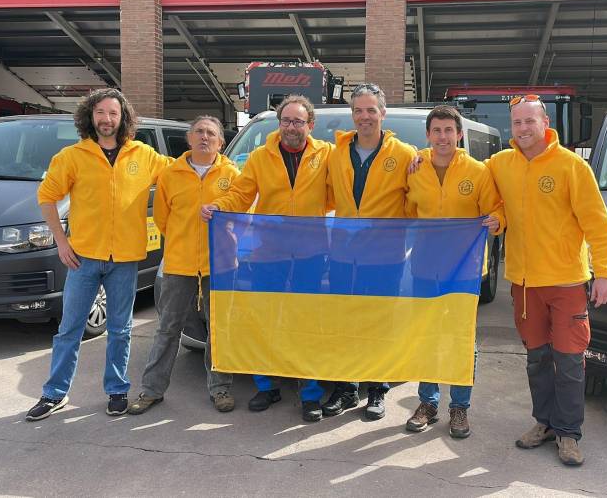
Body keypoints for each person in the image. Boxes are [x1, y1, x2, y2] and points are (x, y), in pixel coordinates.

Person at [26, 88, 170, 421]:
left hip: (125, 260)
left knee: (121, 329)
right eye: (101, 113)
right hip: (83, 258)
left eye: (113, 113)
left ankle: (117, 391)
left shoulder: (144, 155)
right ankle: (54, 394)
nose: (107, 119)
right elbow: (46, 197)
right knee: (69, 329)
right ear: (90, 116)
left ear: (124, 118)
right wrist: (61, 242)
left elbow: (179, 174)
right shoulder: (72, 156)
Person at [489, 94, 607, 466]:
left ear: (545, 122)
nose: (524, 128)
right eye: (517, 122)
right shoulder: (501, 164)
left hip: (565, 283)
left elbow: (597, 222)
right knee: (537, 360)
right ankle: (543, 423)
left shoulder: (571, 166)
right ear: (510, 126)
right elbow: (487, 194)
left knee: (570, 361)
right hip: (525, 284)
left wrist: (604, 273)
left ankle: (568, 433)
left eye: (530, 121)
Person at [201, 95, 332, 422]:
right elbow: (242, 194)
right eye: (286, 121)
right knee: (265, 319)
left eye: (298, 121)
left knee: (307, 323)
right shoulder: (260, 157)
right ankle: (266, 385)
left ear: (310, 125)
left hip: (310, 253)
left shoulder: (326, 154)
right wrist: (219, 206)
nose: (292, 127)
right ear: (279, 123)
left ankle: (309, 391)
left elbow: (354, 178)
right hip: (267, 253)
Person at [127, 115, 241, 415]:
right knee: (168, 328)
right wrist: (184, 242)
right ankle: (151, 390)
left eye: (212, 134)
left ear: (221, 142)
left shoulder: (233, 174)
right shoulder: (170, 174)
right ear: (189, 139)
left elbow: (240, 213)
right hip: (179, 264)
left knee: (219, 329)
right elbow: (163, 220)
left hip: (220, 263)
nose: (205, 137)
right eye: (200, 132)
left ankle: (220, 389)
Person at [403, 105, 505, 439]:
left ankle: (459, 407)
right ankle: (428, 403)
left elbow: (496, 211)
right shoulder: (414, 169)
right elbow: (405, 213)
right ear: (428, 135)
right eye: (437, 131)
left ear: (459, 134)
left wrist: (496, 222)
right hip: (425, 266)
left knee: (462, 338)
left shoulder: (478, 171)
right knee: (427, 334)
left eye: (449, 130)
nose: (443, 137)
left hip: (465, 268)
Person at [324, 83, 416, 421]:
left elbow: (418, 204)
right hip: (343, 256)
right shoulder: (335, 153)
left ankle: (377, 389)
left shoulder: (406, 155)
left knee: (379, 323)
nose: (365, 117)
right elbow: (324, 198)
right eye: (359, 111)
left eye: (371, 110)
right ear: (353, 116)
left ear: (382, 114)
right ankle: (346, 388)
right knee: (345, 323)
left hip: (385, 257)